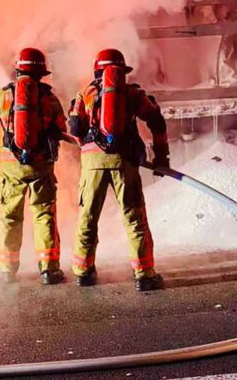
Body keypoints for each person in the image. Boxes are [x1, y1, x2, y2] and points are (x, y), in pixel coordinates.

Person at [68, 48, 170, 291]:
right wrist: (161, 157)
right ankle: (144, 275)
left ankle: (83, 271)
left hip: (92, 163)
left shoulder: (86, 93)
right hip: (123, 161)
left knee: (87, 217)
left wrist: (89, 145)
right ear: (122, 71)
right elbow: (156, 120)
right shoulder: (132, 93)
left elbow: (74, 127)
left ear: (97, 71)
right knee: (134, 218)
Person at [0, 47, 66, 285]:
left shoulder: (2, 96)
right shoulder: (50, 99)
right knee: (44, 216)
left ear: (18, 70)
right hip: (40, 168)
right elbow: (62, 127)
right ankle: (48, 270)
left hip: (11, 168)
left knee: (10, 217)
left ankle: (7, 269)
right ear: (41, 73)